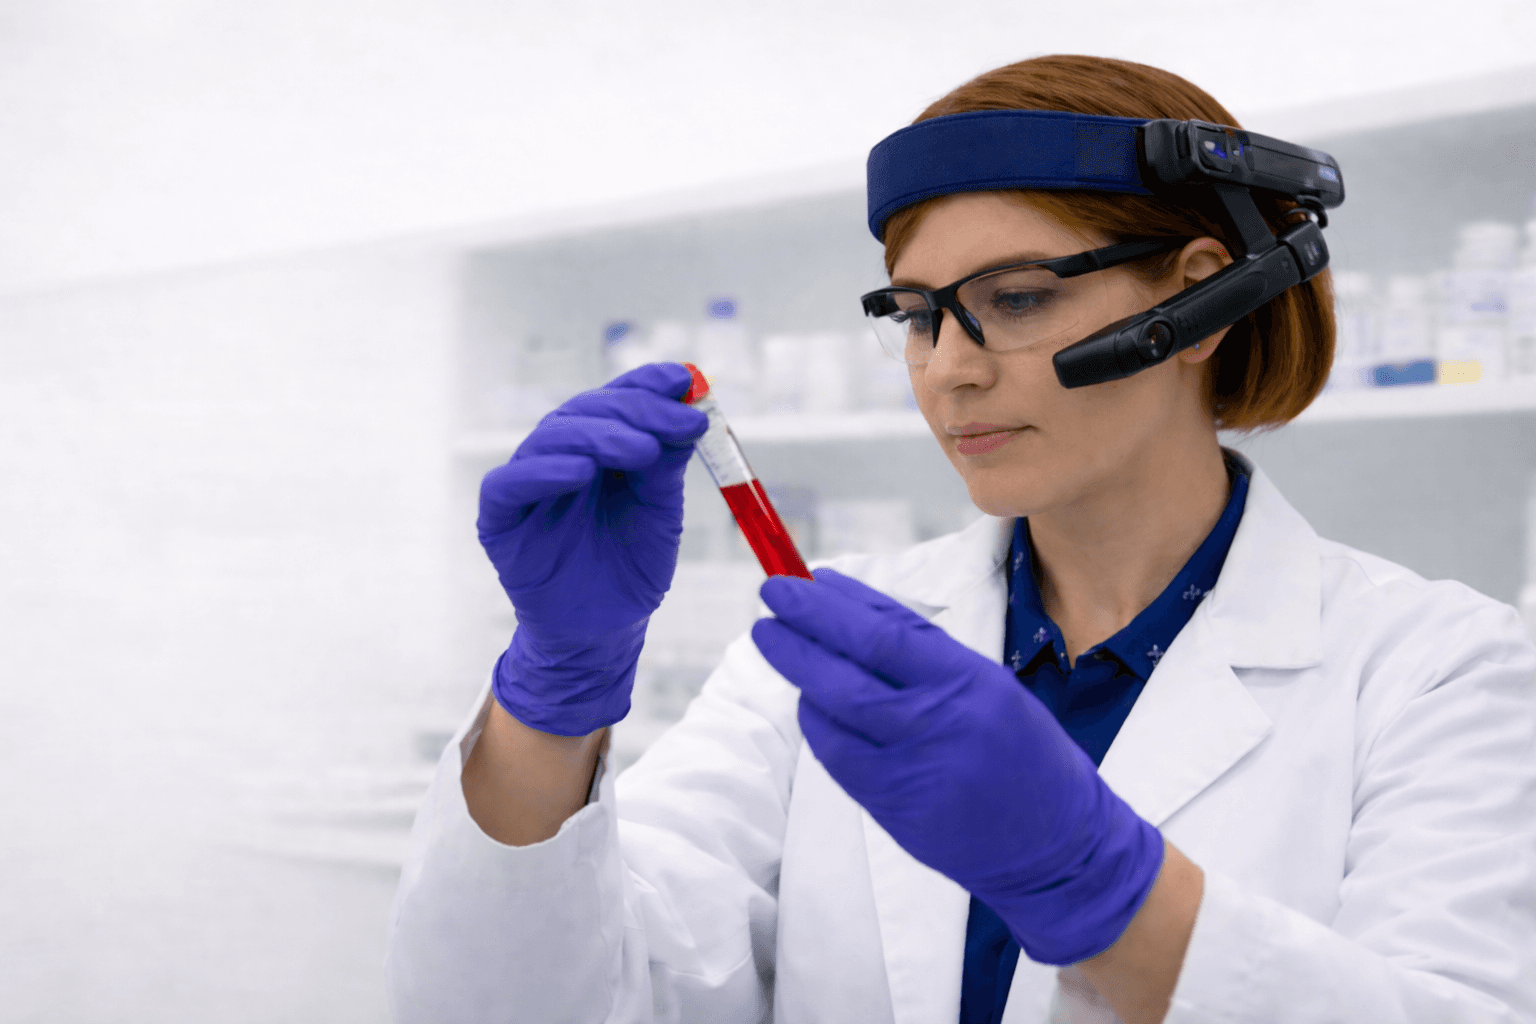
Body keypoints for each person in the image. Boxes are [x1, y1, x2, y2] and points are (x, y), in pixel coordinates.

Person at [385, 55, 1536, 1024]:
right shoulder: (828, 643)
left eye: (1018, 297)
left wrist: (1102, 889)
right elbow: (541, 998)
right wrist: (554, 696)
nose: (949, 367)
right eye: (917, 312)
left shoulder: (1437, 668)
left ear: (1202, 300)